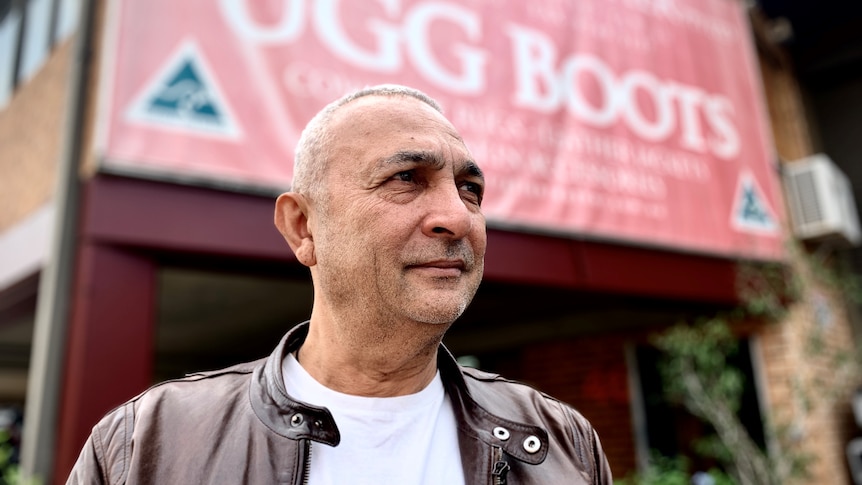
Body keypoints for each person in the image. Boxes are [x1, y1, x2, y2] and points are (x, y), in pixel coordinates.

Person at [67, 84, 613, 484]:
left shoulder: (562, 442)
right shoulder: (145, 444)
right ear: (303, 228)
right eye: (406, 178)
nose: (458, 216)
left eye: (470, 188)